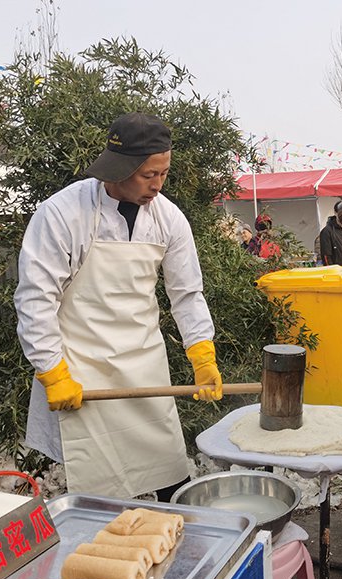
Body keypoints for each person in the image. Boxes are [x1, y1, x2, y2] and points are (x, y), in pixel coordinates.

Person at [15, 112, 223, 502]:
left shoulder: (169, 218)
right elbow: (35, 298)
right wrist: (52, 371)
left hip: (143, 366)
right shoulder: (63, 213)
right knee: (97, 490)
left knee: (167, 472)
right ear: (120, 167)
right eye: (149, 175)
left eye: (164, 174)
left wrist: (201, 352)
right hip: (82, 367)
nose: (158, 186)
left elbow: (187, 293)